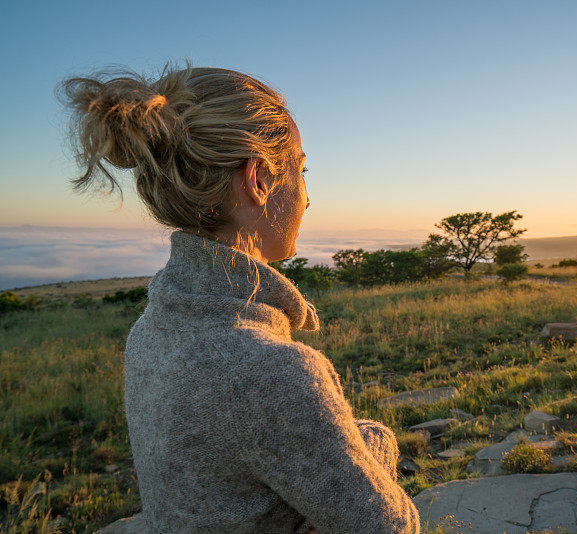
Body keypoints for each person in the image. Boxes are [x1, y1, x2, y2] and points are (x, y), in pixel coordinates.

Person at [59, 64, 421, 534]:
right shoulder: (274, 373)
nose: (307, 198)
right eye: (301, 170)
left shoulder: (148, 331)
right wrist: (374, 441)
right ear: (259, 180)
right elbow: (391, 526)